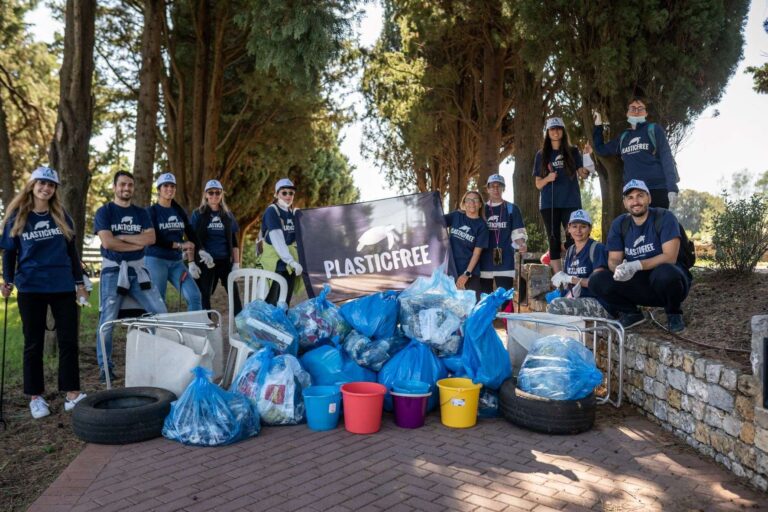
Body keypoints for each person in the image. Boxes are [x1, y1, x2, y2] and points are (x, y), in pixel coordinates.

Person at [0, 167, 89, 418]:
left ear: (54, 190)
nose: (46, 188)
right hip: (31, 287)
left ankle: (72, 394)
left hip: (61, 286)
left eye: (51, 185)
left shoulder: (61, 215)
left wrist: (79, 283)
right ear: (32, 185)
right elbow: (10, 253)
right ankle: (36, 397)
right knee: (33, 344)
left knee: (69, 340)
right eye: (41, 183)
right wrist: (6, 280)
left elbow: (72, 253)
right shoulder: (17, 217)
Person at [589, 179, 691, 332]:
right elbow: (613, 259)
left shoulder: (664, 217)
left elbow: (670, 257)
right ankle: (632, 313)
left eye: (640, 196)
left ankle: (673, 313)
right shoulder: (620, 224)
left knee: (666, 272)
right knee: (597, 280)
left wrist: (637, 265)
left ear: (649, 198)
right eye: (630, 198)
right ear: (624, 203)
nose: (635, 201)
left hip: (668, 282)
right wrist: (620, 269)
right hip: (638, 281)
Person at [94, 171, 167, 382]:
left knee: (160, 314)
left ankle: (159, 359)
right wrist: (137, 241)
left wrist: (123, 237)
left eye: (130, 185)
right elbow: (107, 243)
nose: (127, 188)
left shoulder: (141, 213)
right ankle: (105, 367)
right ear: (115, 186)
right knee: (107, 320)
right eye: (123, 184)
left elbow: (151, 238)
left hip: (139, 271)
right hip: (113, 271)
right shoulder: (105, 211)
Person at [592, 96, 679, 209]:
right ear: (627, 113)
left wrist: (672, 188)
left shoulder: (654, 129)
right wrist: (598, 126)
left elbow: (666, 158)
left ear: (646, 113)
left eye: (640, 108)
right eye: (632, 108)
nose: (636, 111)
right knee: (640, 226)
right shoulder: (624, 137)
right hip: (634, 193)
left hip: (657, 189)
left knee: (661, 226)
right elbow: (600, 149)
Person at [533, 117, 593, 273]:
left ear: (563, 131)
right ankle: (559, 279)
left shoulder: (572, 151)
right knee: (553, 239)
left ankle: (574, 272)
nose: (555, 131)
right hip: (549, 203)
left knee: (574, 238)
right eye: (552, 129)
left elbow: (583, 174)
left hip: (571, 202)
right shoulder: (541, 154)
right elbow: (538, 183)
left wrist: (588, 159)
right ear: (547, 132)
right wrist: (548, 178)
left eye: (558, 128)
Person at [145, 173, 203, 311]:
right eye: (165, 186)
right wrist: (180, 245)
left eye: (172, 186)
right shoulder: (151, 211)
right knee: (159, 302)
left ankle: (193, 332)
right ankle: (156, 332)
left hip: (176, 262)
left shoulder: (178, 210)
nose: (169, 189)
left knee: (195, 296)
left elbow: (190, 231)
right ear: (159, 189)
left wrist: (201, 249)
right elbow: (154, 239)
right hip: (156, 260)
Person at [547, 209, 611, 318]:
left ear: (590, 228)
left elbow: (597, 284)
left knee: (556, 306)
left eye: (583, 226)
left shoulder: (597, 249)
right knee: (552, 303)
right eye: (575, 226)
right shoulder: (570, 251)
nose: (579, 230)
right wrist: (562, 286)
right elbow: (569, 285)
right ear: (569, 229)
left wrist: (570, 279)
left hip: (600, 303)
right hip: (578, 299)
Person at [190, 179, 242, 313]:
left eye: (217, 192)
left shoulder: (227, 215)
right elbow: (192, 239)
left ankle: (241, 325)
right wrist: (191, 262)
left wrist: (236, 263)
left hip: (225, 261)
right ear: (206, 194)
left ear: (221, 194)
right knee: (204, 295)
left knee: (234, 293)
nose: (214, 195)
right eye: (211, 192)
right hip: (206, 261)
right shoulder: (198, 214)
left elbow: (234, 242)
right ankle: (207, 327)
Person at [478, 174, 527, 296]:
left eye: (499, 186)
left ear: (503, 188)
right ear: (487, 189)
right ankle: (488, 316)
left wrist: (522, 244)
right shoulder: (481, 209)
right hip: (483, 260)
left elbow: (518, 231)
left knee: (505, 297)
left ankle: (505, 316)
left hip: (505, 260)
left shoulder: (511, 208)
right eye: (492, 186)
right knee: (485, 299)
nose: (495, 189)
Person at [259, 178, 303, 305]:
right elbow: (277, 239)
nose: (288, 196)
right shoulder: (272, 211)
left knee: (284, 304)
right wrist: (290, 261)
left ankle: (281, 325)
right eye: (284, 192)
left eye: (291, 193)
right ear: (276, 194)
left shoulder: (292, 213)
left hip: (289, 266)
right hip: (275, 265)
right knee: (271, 303)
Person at [444, 190, 489, 302]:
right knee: (450, 305)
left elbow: (476, 253)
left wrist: (466, 274)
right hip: (450, 269)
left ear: (480, 204)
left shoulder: (482, 225)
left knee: (473, 307)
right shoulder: (456, 216)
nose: (472, 203)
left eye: (475, 200)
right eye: (468, 200)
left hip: (470, 272)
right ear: (464, 203)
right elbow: (436, 221)